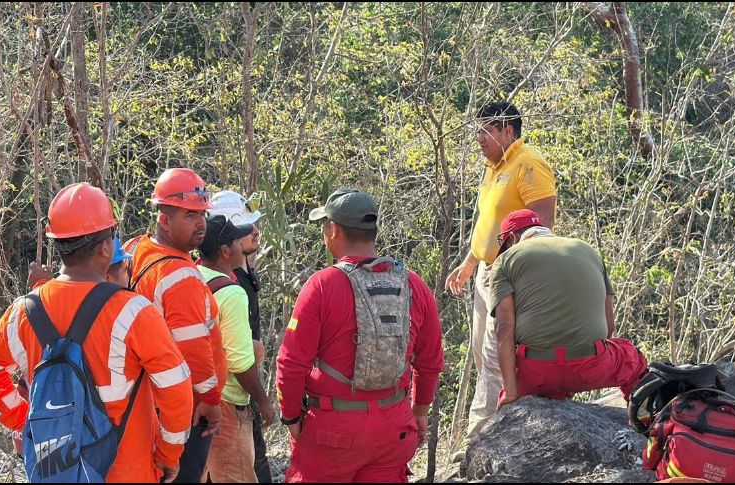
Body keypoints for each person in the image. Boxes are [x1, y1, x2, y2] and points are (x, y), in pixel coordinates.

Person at [0, 183, 193, 482]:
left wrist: (26, 422)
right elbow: (176, 388)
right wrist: (170, 454)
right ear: (106, 247)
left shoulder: (23, 312)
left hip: (56, 471)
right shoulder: (135, 312)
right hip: (127, 472)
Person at [276, 188, 444, 483]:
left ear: (332, 230)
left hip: (332, 432)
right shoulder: (414, 284)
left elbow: (291, 363)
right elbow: (430, 361)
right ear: (373, 232)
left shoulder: (322, 286)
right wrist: (419, 411)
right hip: (393, 427)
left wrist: (291, 417)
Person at [444, 101, 558, 444]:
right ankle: (492, 429)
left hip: (509, 277)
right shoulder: (493, 167)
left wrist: (515, 277)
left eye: (486, 131)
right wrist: (470, 263)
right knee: (482, 354)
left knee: (496, 356)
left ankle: (482, 437)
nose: (478, 138)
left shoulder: (529, 164)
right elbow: (488, 221)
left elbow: (543, 227)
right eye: (478, 130)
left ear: (508, 131)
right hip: (486, 273)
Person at [125, 168, 228, 483]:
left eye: (202, 215)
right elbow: (193, 349)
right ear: (164, 220)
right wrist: (210, 401)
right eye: (189, 215)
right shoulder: (181, 276)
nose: (201, 224)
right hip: (184, 409)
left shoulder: (133, 250)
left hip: (144, 404)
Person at [489, 209, 648, 409]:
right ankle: (643, 422)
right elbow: (608, 326)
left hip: (536, 373)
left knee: (509, 399)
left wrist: (511, 392)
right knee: (631, 359)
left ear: (512, 238)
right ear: (543, 229)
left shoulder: (505, 260)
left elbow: (504, 329)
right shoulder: (588, 250)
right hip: (591, 366)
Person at [198, 215, 276, 482]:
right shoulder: (232, 293)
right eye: (235, 240)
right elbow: (240, 364)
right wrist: (263, 402)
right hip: (227, 404)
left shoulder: (193, 276)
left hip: (195, 399)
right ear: (225, 250)